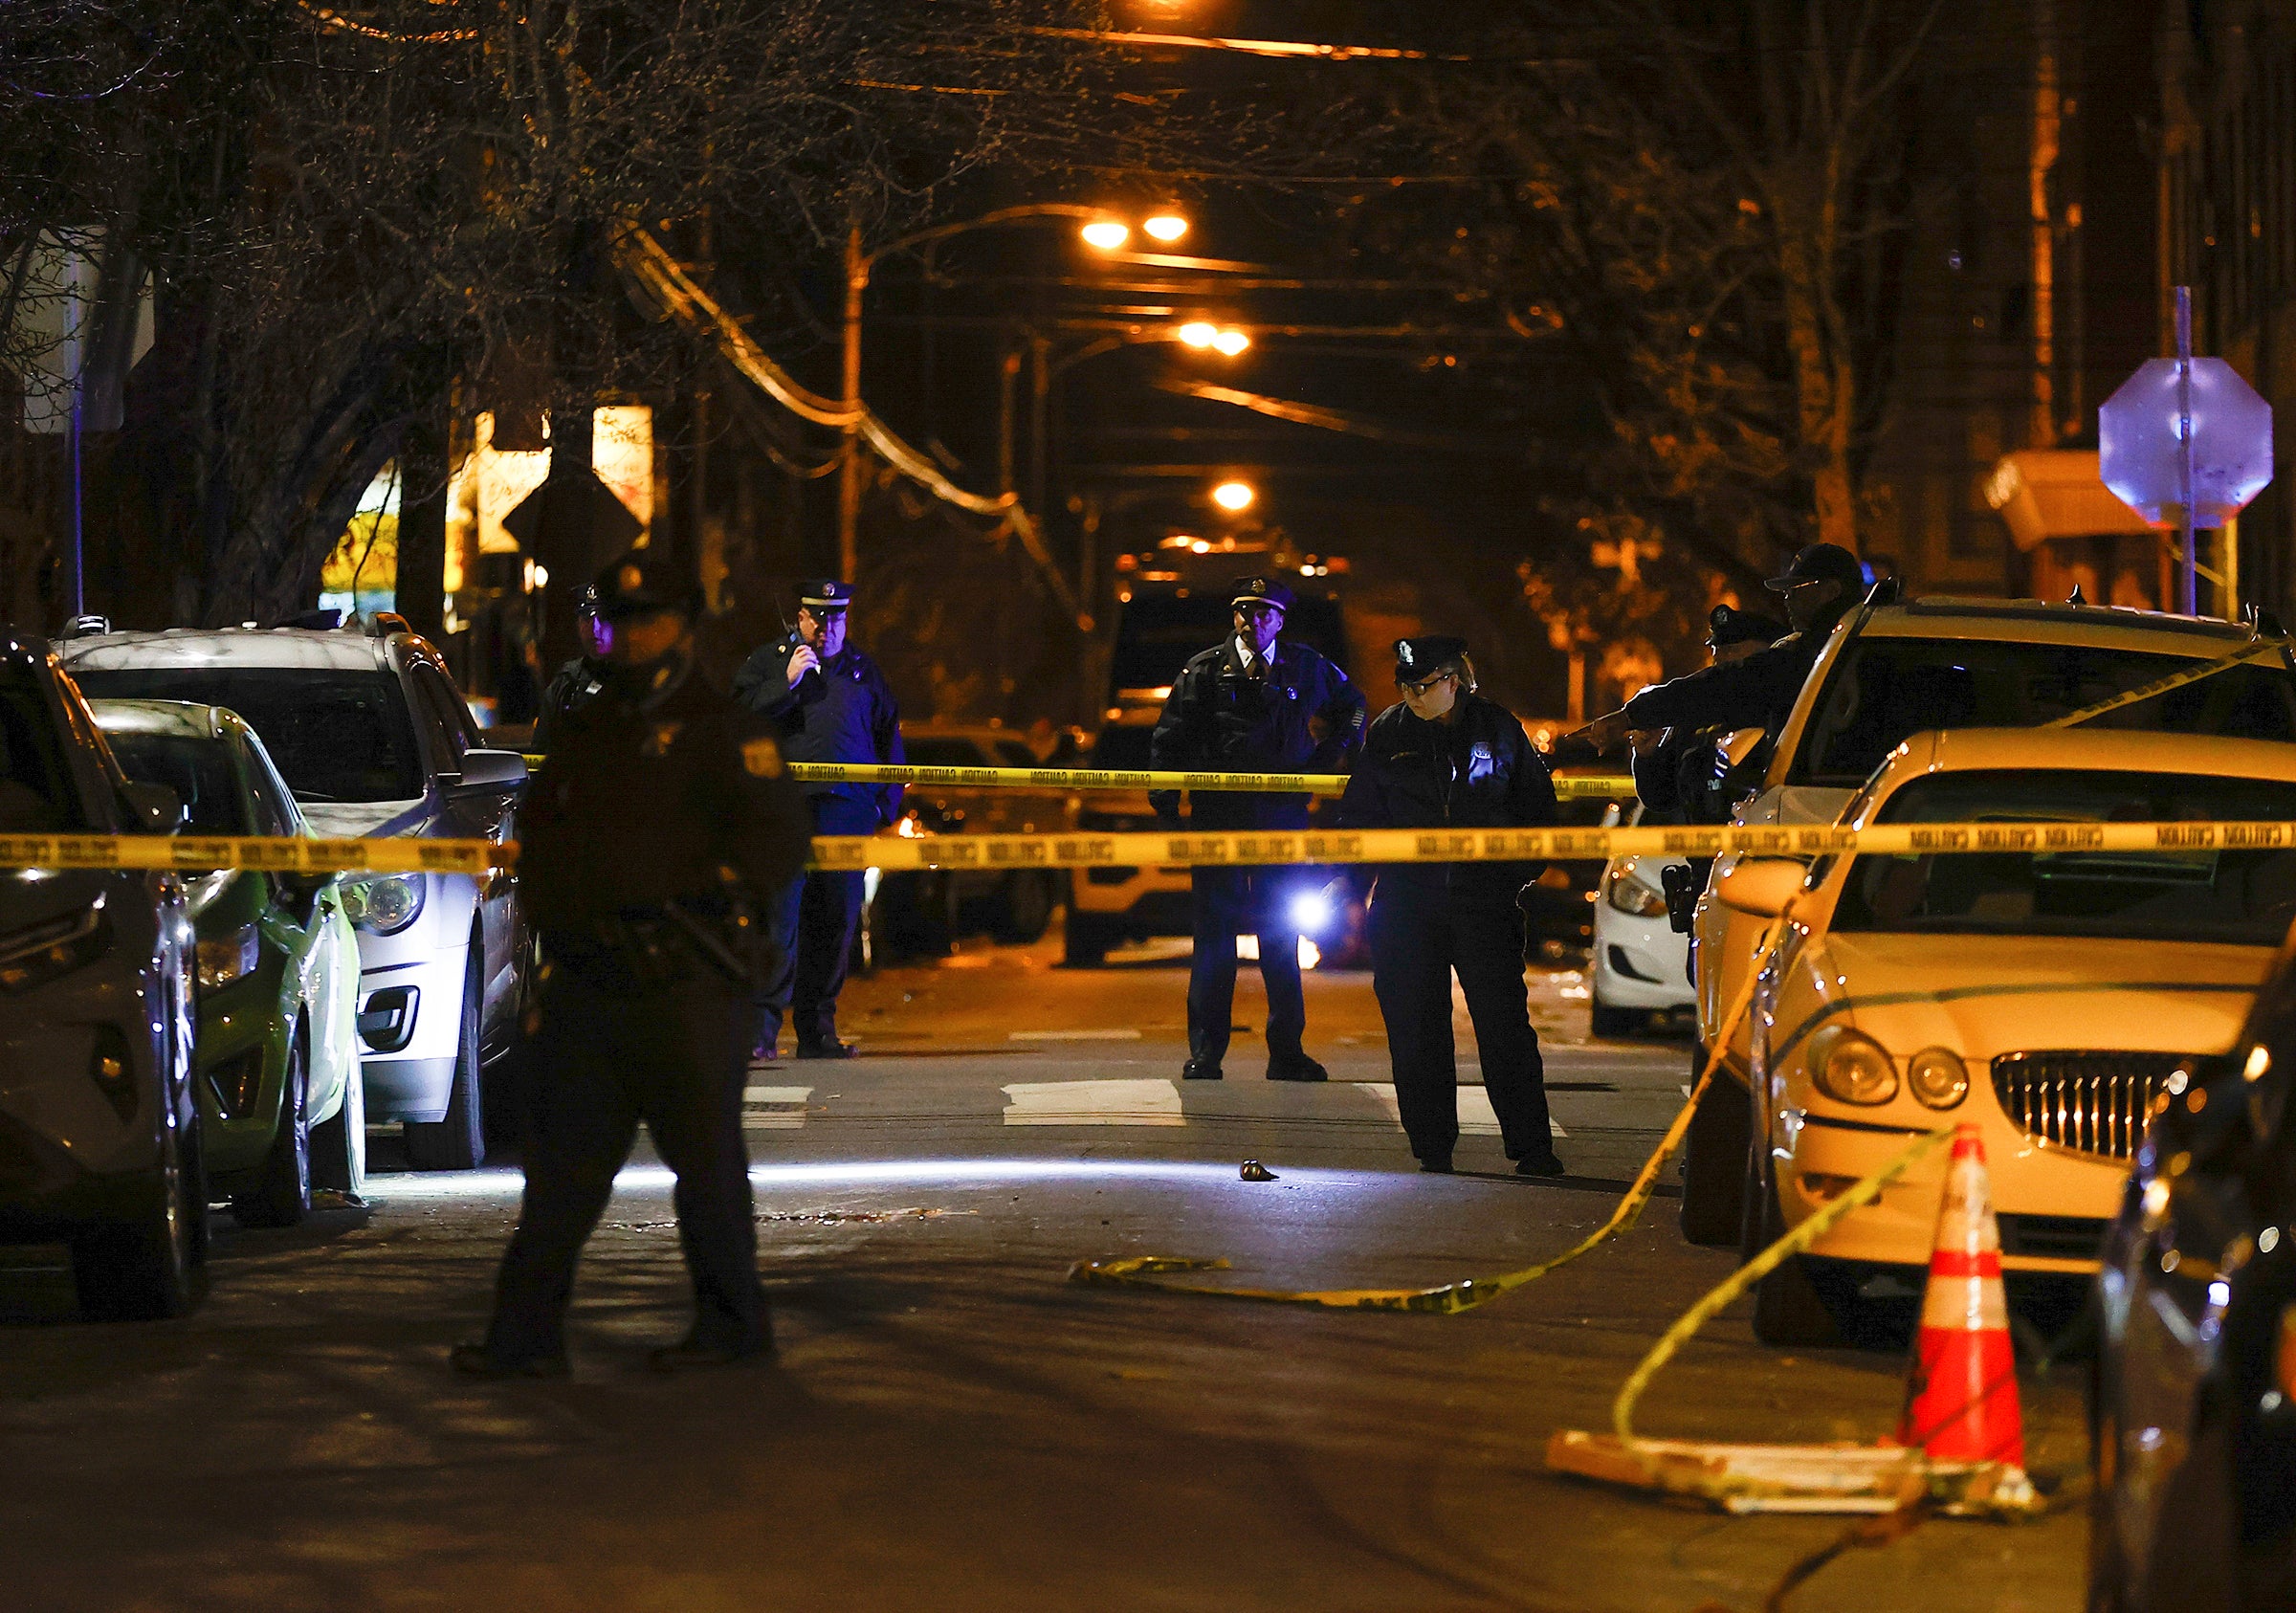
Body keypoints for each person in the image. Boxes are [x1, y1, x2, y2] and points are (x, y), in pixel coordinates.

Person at [453, 547, 812, 1379]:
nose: (634, 636)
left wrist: (699, 885)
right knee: (560, 1180)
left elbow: (777, 839)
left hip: (688, 978)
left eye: (651, 619)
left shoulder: (727, 730)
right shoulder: (584, 724)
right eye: (621, 621)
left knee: (710, 1172)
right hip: (589, 986)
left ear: (683, 627)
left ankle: (732, 1328)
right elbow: (545, 843)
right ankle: (524, 1342)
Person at [1340, 636, 1565, 1177]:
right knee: (1416, 1030)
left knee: (1503, 1027)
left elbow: (1537, 808)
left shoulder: (1496, 727)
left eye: (1425, 684)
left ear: (1454, 680)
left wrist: (1512, 877)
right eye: (1406, 685)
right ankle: (1433, 1147)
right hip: (1406, 904)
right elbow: (1361, 817)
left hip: (1483, 904)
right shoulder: (1389, 732)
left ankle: (1531, 1148)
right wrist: (1349, 887)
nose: (1414, 695)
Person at [1150, 576, 1365, 1082]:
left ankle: (1286, 1052)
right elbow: (1170, 733)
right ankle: (1206, 1053)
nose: (1252, 620)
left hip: (1279, 819)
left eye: (1264, 611)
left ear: (1281, 621)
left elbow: (1353, 707)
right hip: (1217, 822)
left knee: (1280, 937)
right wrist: (1165, 797)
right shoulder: (1203, 670)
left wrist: (1326, 758)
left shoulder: (1305, 666)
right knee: (1214, 941)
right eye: (1244, 610)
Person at [733, 580, 904, 1060]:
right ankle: (761, 1035)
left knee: (835, 923)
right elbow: (736, 719)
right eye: (817, 618)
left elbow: (889, 736)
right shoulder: (770, 662)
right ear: (800, 618)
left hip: (846, 812)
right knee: (778, 922)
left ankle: (818, 1032)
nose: (826, 628)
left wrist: (883, 805)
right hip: (783, 811)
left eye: (836, 619)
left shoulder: (863, 671)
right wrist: (782, 683)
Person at [1567, 542, 1868, 758]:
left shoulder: (1820, 652)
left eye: (1797, 589)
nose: (1787, 599)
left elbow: (1725, 685)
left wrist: (1631, 715)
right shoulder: (1847, 642)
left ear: (1831, 591)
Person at [1627, 603, 1787, 827]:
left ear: (1766, 653)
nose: (1720, 660)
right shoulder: (1695, 715)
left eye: (1732, 650)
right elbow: (1662, 798)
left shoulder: (1783, 709)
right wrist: (1649, 756)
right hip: (1707, 851)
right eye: (1716, 652)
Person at [530, 585, 610, 755]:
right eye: (586, 619)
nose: (594, 629)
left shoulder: (638, 679)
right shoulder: (567, 681)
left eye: (602, 618)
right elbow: (541, 752)